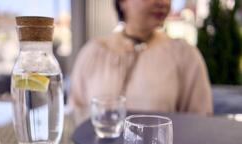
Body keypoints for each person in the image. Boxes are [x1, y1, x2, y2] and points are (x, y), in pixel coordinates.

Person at [68, 0, 213, 122]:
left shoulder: (184, 55)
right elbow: (75, 119)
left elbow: (200, 124)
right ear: (122, 2)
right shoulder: (92, 53)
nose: (163, 2)